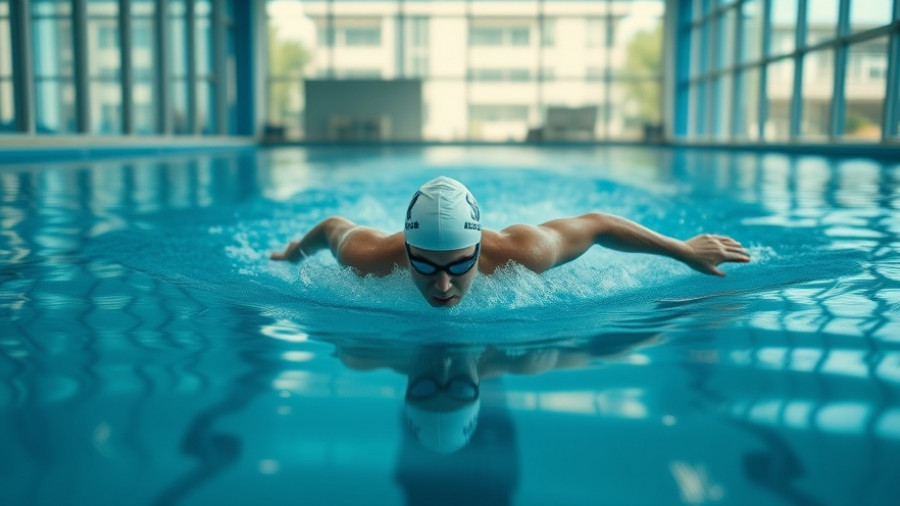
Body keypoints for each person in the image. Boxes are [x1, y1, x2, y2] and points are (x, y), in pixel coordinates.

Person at [270, 176, 751, 307]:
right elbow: (333, 227)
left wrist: (683, 250)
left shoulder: (521, 255)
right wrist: (295, 254)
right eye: (425, 266)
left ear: (479, 250)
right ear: (407, 252)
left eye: (459, 266)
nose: (442, 285)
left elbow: (599, 223)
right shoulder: (371, 258)